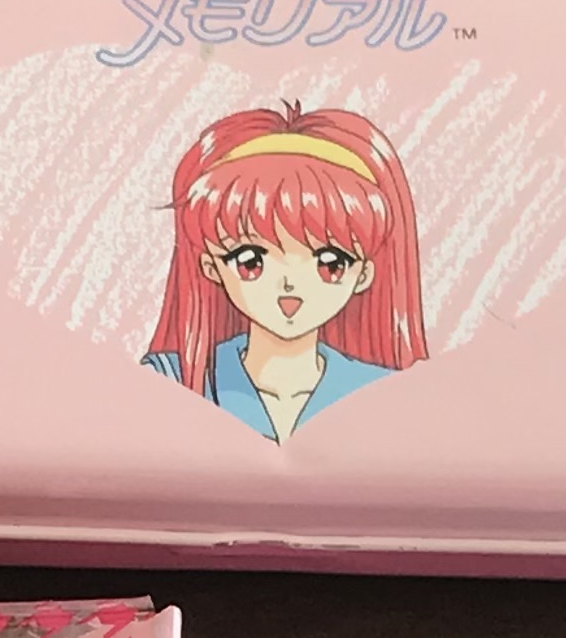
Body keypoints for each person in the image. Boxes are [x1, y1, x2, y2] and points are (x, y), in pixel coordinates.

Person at [138, 101, 429, 439]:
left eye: (330, 263)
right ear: (211, 267)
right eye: (251, 260)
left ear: (363, 274)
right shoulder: (172, 381)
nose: (289, 283)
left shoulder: (383, 394)